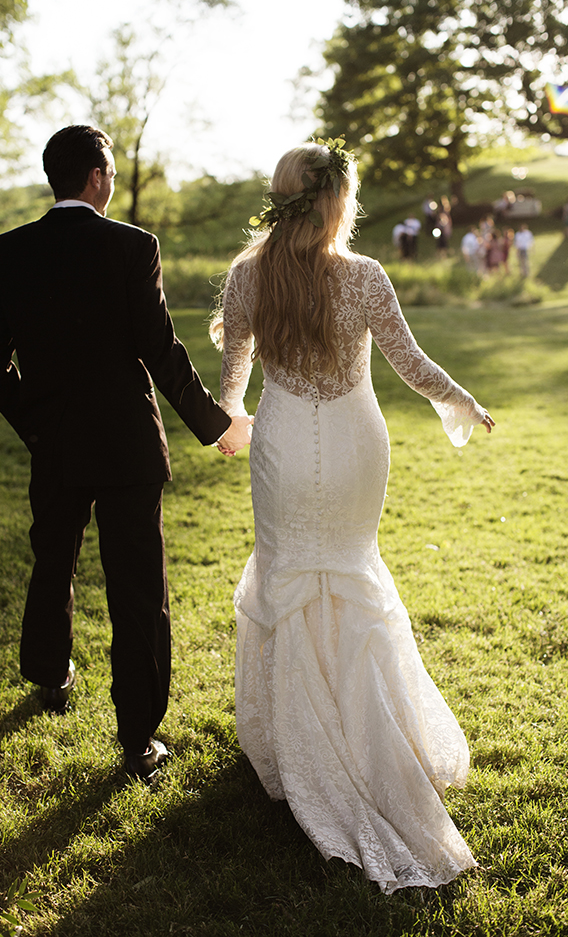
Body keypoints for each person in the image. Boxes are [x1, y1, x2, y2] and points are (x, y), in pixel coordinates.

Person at [210, 140, 495, 894]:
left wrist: (233, 418)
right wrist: (459, 400)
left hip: (280, 442)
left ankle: (300, 744)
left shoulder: (246, 277)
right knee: (349, 574)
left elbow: (232, 379)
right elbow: (410, 362)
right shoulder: (363, 277)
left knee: (291, 575)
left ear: (283, 197)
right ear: (339, 201)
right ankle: (365, 736)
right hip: (355, 444)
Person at [0, 124, 252, 783]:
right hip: (127, 443)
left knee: (53, 560)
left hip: (56, 445)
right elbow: (162, 351)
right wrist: (217, 426)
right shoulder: (132, 246)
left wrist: (34, 423)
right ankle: (137, 741)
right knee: (136, 588)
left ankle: (49, 676)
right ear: (97, 178)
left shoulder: (6, 251)